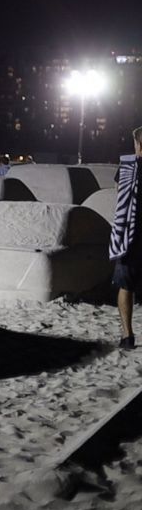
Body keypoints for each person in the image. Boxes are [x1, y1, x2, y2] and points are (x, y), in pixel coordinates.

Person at [110, 126, 142, 349]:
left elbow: (119, 192)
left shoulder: (128, 167)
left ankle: (127, 336)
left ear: (138, 144)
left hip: (129, 237)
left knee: (126, 286)